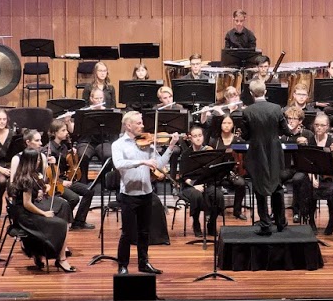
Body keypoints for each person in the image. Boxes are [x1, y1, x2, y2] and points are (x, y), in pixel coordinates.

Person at [110, 111, 173, 275]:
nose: (142, 125)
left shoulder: (148, 143)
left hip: (146, 193)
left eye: (141, 122)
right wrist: (142, 161)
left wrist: (171, 147)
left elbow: (159, 164)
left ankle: (143, 263)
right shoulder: (118, 144)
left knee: (144, 232)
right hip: (129, 195)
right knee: (127, 233)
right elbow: (119, 164)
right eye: (138, 123)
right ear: (128, 125)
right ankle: (122, 265)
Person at [11, 148, 72, 271]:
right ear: (31, 161)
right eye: (38, 159)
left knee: (60, 211)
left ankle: (39, 253)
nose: (39, 161)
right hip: (25, 216)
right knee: (62, 224)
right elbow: (27, 204)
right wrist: (44, 213)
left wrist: (40, 191)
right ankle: (62, 259)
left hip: (23, 212)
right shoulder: (26, 179)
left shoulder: (29, 175)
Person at [243, 78, 287, 235]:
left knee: (259, 188)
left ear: (251, 93)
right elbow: (285, 131)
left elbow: (246, 135)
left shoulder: (247, 111)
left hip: (257, 153)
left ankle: (265, 224)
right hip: (275, 152)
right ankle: (281, 222)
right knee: (277, 186)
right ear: (265, 91)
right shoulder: (276, 108)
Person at [174, 124, 224, 237]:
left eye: (200, 135)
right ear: (190, 138)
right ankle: (196, 223)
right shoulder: (186, 154)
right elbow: (183, 176)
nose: (198, 138)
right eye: (195, 136)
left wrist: (206, 183)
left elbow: (213, 171)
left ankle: (211, 222)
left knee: (218, 195)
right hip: (189, 186)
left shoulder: (208, 152)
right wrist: (194, 185)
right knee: (197, 195)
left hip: (206, 183)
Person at [46, 119, 95, 229]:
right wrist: (62, 182)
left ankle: (79, 221)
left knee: (89, 191)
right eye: (63, 130)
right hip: (55, 183)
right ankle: (62, 220)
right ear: (54, 133)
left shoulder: (64, 146)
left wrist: (71, 155)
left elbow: (67, 164)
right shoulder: (49, 149)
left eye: (66, 130)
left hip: (66, 179)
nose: (66, 132)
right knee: (74, 198)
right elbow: (48, 173)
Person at [211, 113, 249, 219]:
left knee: (241, 183)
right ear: (220, 125)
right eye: (224, 123)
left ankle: (237, 211)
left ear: (233, 125)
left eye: (229, 123)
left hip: (234, 172)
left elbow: (245, 158)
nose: (226, 125)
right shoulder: (215, 141)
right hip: (218, 172)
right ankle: (214, 211)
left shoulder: (239, 140)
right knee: (210, 184)